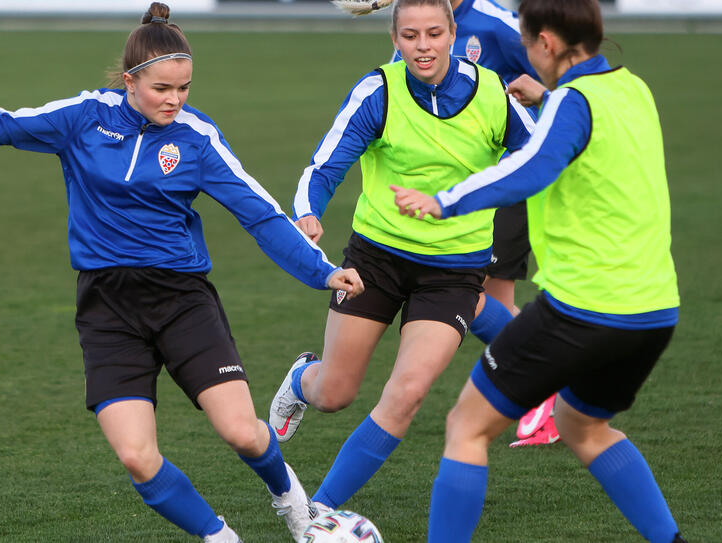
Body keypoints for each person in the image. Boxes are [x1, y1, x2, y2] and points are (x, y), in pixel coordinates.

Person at [0, 3, 363, 541]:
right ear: (130, 81)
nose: (174, 100)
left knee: (241, 432)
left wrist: (322, 272)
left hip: (181, 299)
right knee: (137, 457)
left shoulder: (197, 137)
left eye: (184, 88)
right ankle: (221, 537)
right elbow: (7, 124)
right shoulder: (83, 118)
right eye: (162, 89)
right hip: (107, 306)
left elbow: (258, 212)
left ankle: (293, 503)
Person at [390, 0, 688, 541]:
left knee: (465, 427)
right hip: (653, 311)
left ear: (546, 43)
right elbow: (593, 134)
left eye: (528, 43)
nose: (526, 53)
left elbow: (527, 169)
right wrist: (549, 98)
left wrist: (442, 200)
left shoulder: (572, 103)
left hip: (582, 309)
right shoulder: (631, 88)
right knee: (584, 425)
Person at [267, 0, 533, 525]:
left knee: (406, 395)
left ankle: (318, 515)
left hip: (453, 271)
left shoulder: (491, 94)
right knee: (335, 394)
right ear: (395, 36)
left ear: (454, 33)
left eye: (434, 33)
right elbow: (324, 166)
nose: (424, 45)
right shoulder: (378, 91)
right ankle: (302, 381)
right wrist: (307, 214)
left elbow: (541, 154)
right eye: (410, 35)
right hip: (376, 259)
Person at [347, 0, 560, 446]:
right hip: (435, 202)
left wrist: (538, 103)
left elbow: (557, 80)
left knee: (488, 295)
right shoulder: (417, 23)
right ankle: (542, 375)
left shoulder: (499, 24)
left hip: (497, 185)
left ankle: (541, 390)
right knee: (476, 300)